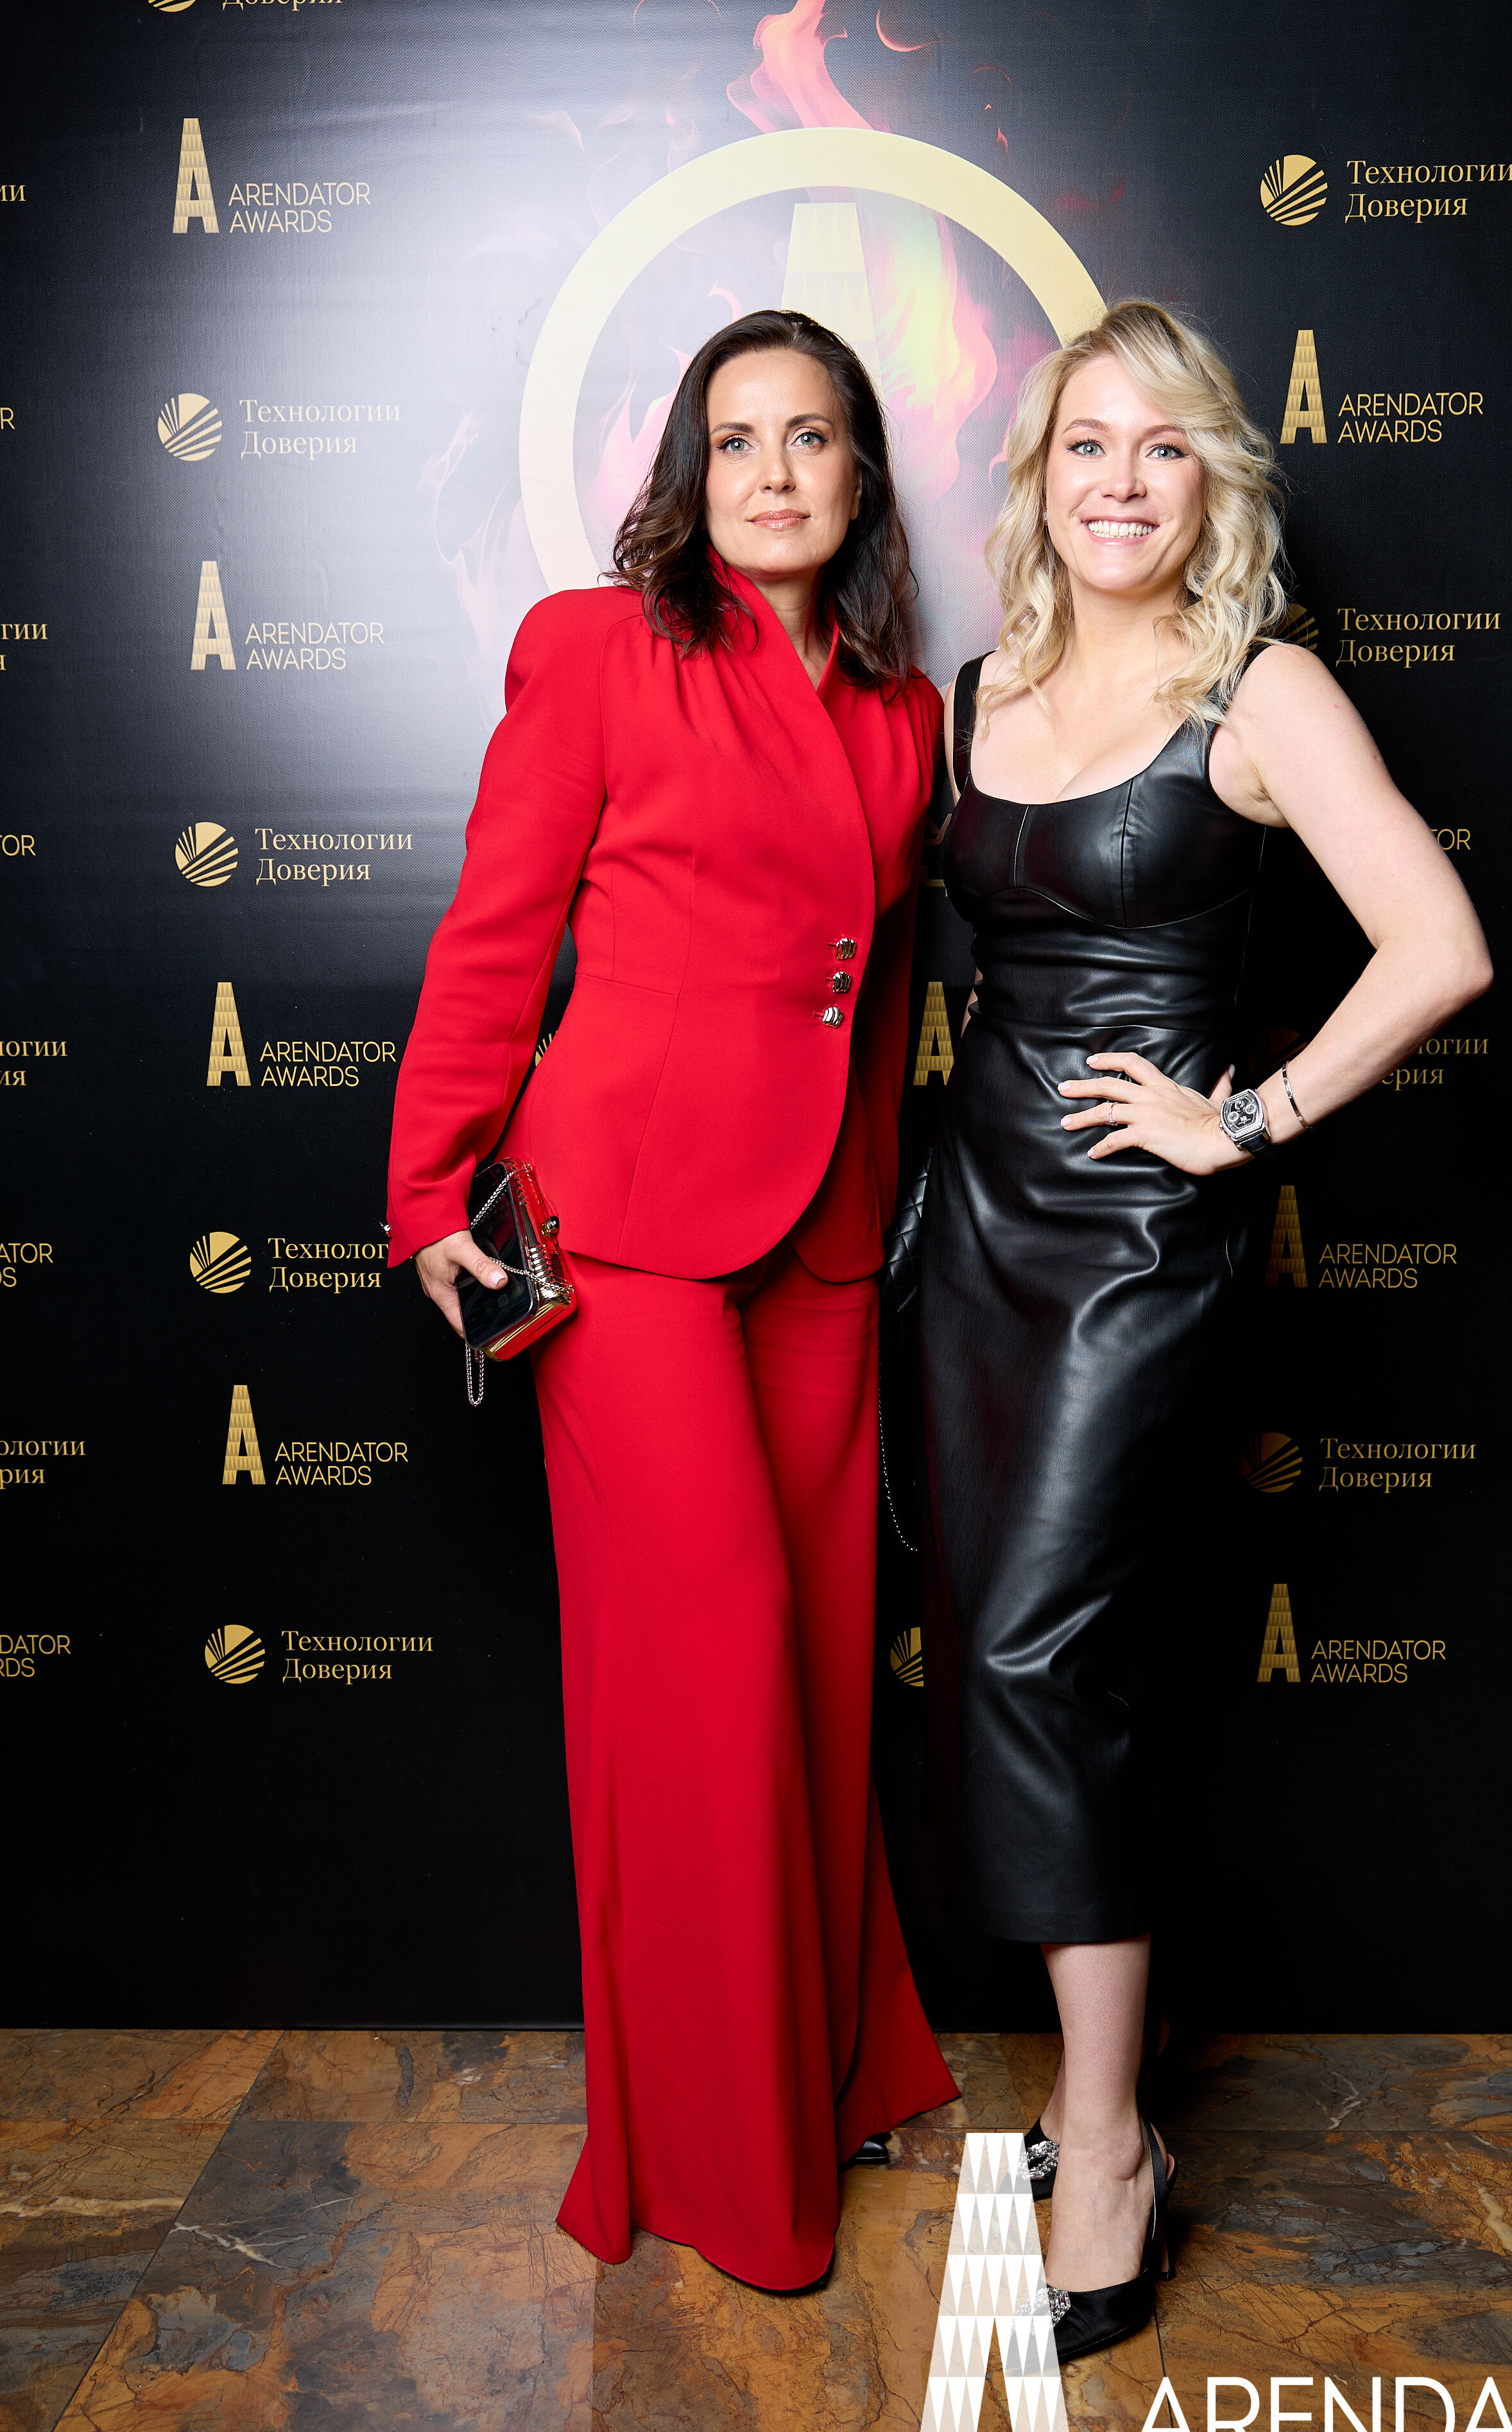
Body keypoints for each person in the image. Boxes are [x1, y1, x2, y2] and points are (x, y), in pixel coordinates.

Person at [920, 300, 1492, 2359]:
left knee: (1032, 1648)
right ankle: (1106, 2099)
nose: (1120, 483)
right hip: (967, 1232)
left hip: (1138, 1247)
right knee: (1017, 1651)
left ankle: (1104, 2138)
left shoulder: (1260, 687)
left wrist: (1244, 1121)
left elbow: (1439, 945)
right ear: (1038, 477)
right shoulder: (979, 688)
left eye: (1162, 448)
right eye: (1086, 444)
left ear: (1210, 483)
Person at [385, 309, 957, 2293]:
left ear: (862, 473)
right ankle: (724, 2162)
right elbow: (496, 932)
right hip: (623, 1227)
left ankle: (832, 2069)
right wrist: (427, 1185)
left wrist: (873, 1217)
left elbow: (877, 993)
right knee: (711, 1664)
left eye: (810, 438)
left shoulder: (902, 712)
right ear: (687, 476)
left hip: (820, 1242)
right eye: (736, 440)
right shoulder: (596, 649)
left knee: (813, 1672)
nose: (773, 474)